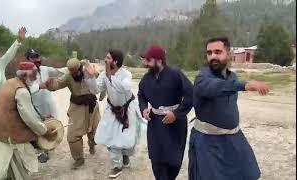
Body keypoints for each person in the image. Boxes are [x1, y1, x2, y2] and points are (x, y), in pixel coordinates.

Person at [188, 37, 269, 180]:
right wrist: (244, 85)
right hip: (208, 142)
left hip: (233, 138)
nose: (213, 56)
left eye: (218, 52)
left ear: (228, 54)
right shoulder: (202, 78)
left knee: (249, 174)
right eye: (209, 53)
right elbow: (215, 87)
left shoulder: (232, 77)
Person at [0, 62, 56, 180]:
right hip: (5, 136)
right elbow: (30, 118)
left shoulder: (10, 82)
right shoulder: (21, 91)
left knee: (9, 168)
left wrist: (42, 118)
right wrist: (44, 131)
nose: (35, 78)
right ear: (25, 76)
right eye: (33, 75)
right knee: (5, 171)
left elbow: (24, 110)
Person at [138, 45, 194, 180]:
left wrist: (176, 113)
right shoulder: (147, 78)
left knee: (174, 162)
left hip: (175, 125)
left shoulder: (175, 74)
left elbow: (191, 94)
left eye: (149, 60)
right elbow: (141, 95)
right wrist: (144, 108)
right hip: (155, 123)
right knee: (157, 160)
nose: (146, 63)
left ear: (159, 60)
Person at [85, 49, 143, 178]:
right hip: (112, 110)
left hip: (128, 109)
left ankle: (125, 155)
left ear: (115, 61)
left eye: (108, 58)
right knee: (111, 137)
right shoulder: (104, 75)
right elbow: (95, 89)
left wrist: (110, 76)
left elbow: (123, 88)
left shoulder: (126, 74)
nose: (105, 60)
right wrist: (91, 77)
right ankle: (116, 166)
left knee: (128, 139)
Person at [45, 58, 101, 169]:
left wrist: (92, 70)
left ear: (81, 67)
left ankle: (92, 145)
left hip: (91, 106)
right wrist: (51, 84)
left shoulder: (88, 71)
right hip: (77, 108)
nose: (75, 74)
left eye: (77, 71)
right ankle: (79, 158)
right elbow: (58, 83)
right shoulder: (68, 76)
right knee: (72, 135)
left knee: (95, 131)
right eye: (73, 72)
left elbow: (99, 77)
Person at [25, 49, 68, 163]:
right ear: (28, 59)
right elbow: (26, 90)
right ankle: (39, 151)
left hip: (48, 103)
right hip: (35, 106)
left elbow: (59, 71)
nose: (36, 59)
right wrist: (40, 86)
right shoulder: (25, 73)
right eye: (33, 57)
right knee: (36, 127)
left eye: (37, 57)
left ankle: (47, 146)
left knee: (51, 125)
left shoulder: (45, 69)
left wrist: (72, 67)